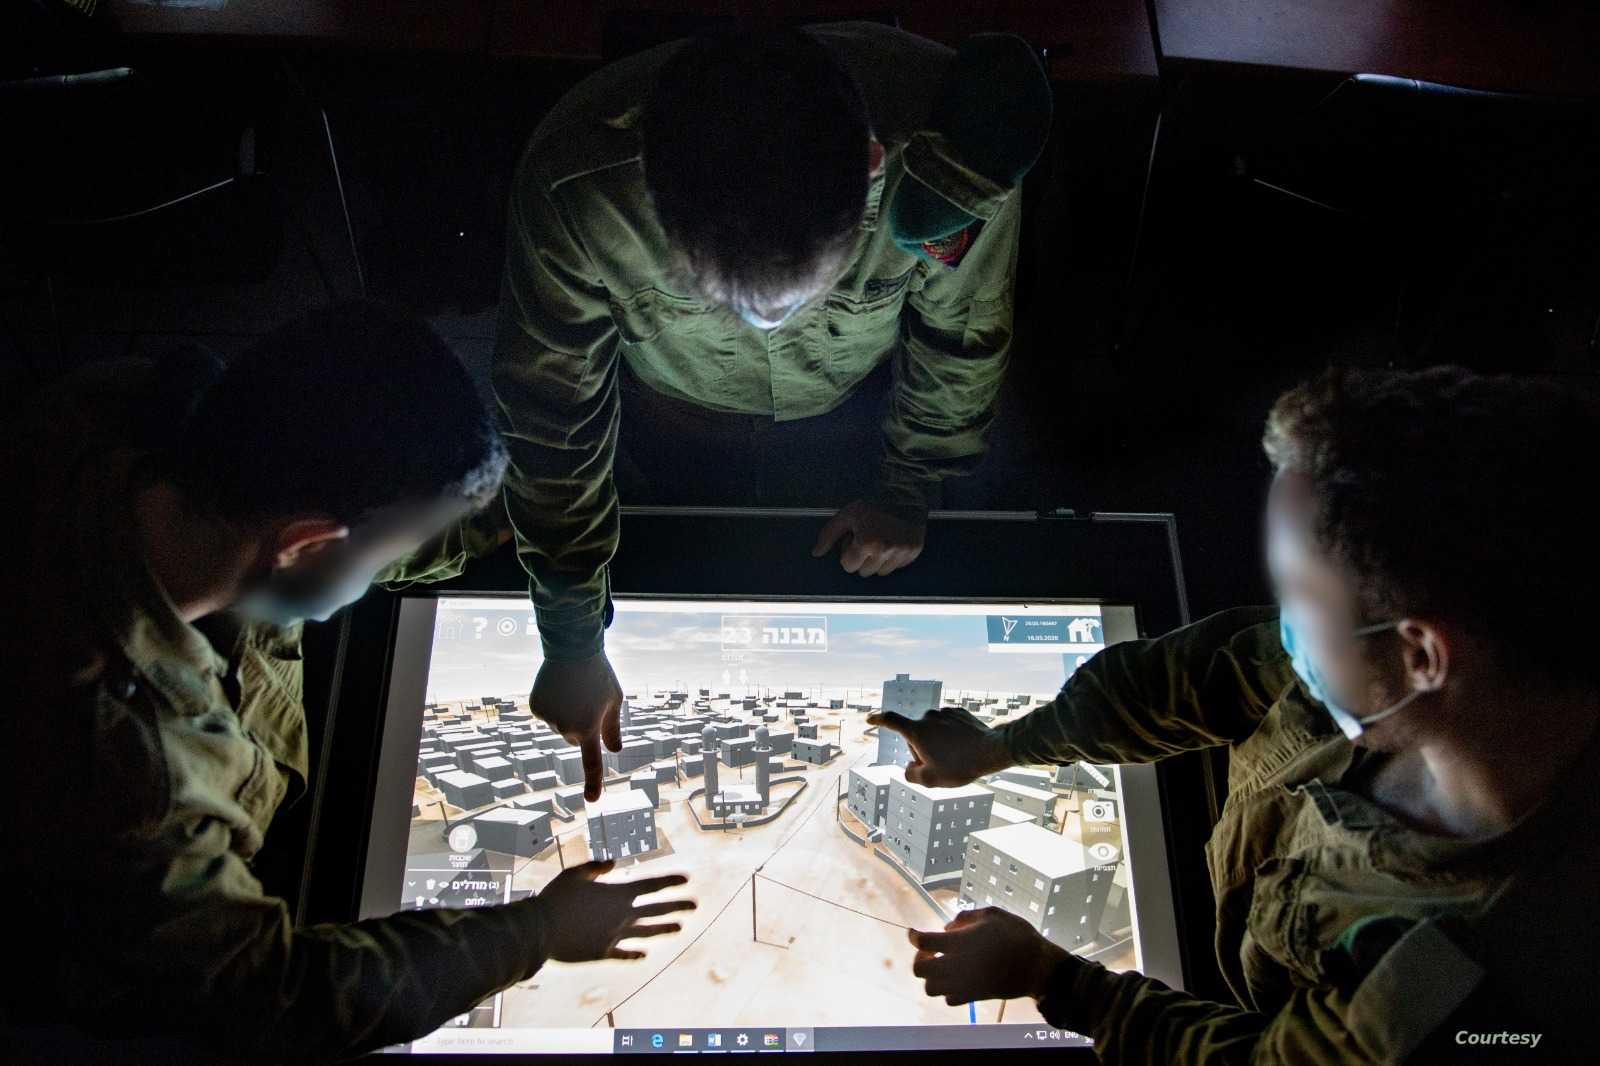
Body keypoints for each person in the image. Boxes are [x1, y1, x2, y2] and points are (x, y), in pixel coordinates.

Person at [1, 302, 694, 1062]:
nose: (387, 566)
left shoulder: (127, 414)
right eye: (387, 553)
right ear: (305, 546)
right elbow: (271, 994)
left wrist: (496, 539)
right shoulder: (134, 774)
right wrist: (538, 931)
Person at [873, 366, 1598, 1062]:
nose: (1283, 623)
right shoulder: (1408, 658)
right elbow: (1196, 679)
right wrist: (1001, 747)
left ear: (1424, 655)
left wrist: (1052, 977)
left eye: (1302, 594)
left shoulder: (1468, 979)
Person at [495, 22, 1052, 800]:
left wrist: (909, 485)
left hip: (855, 404)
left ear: (872, 165)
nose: (766, 327)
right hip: (674, 408)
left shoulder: (952, 155)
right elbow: (554, 417)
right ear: (650, 188)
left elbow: (960, 335)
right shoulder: (577, 183)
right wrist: (570, 640)